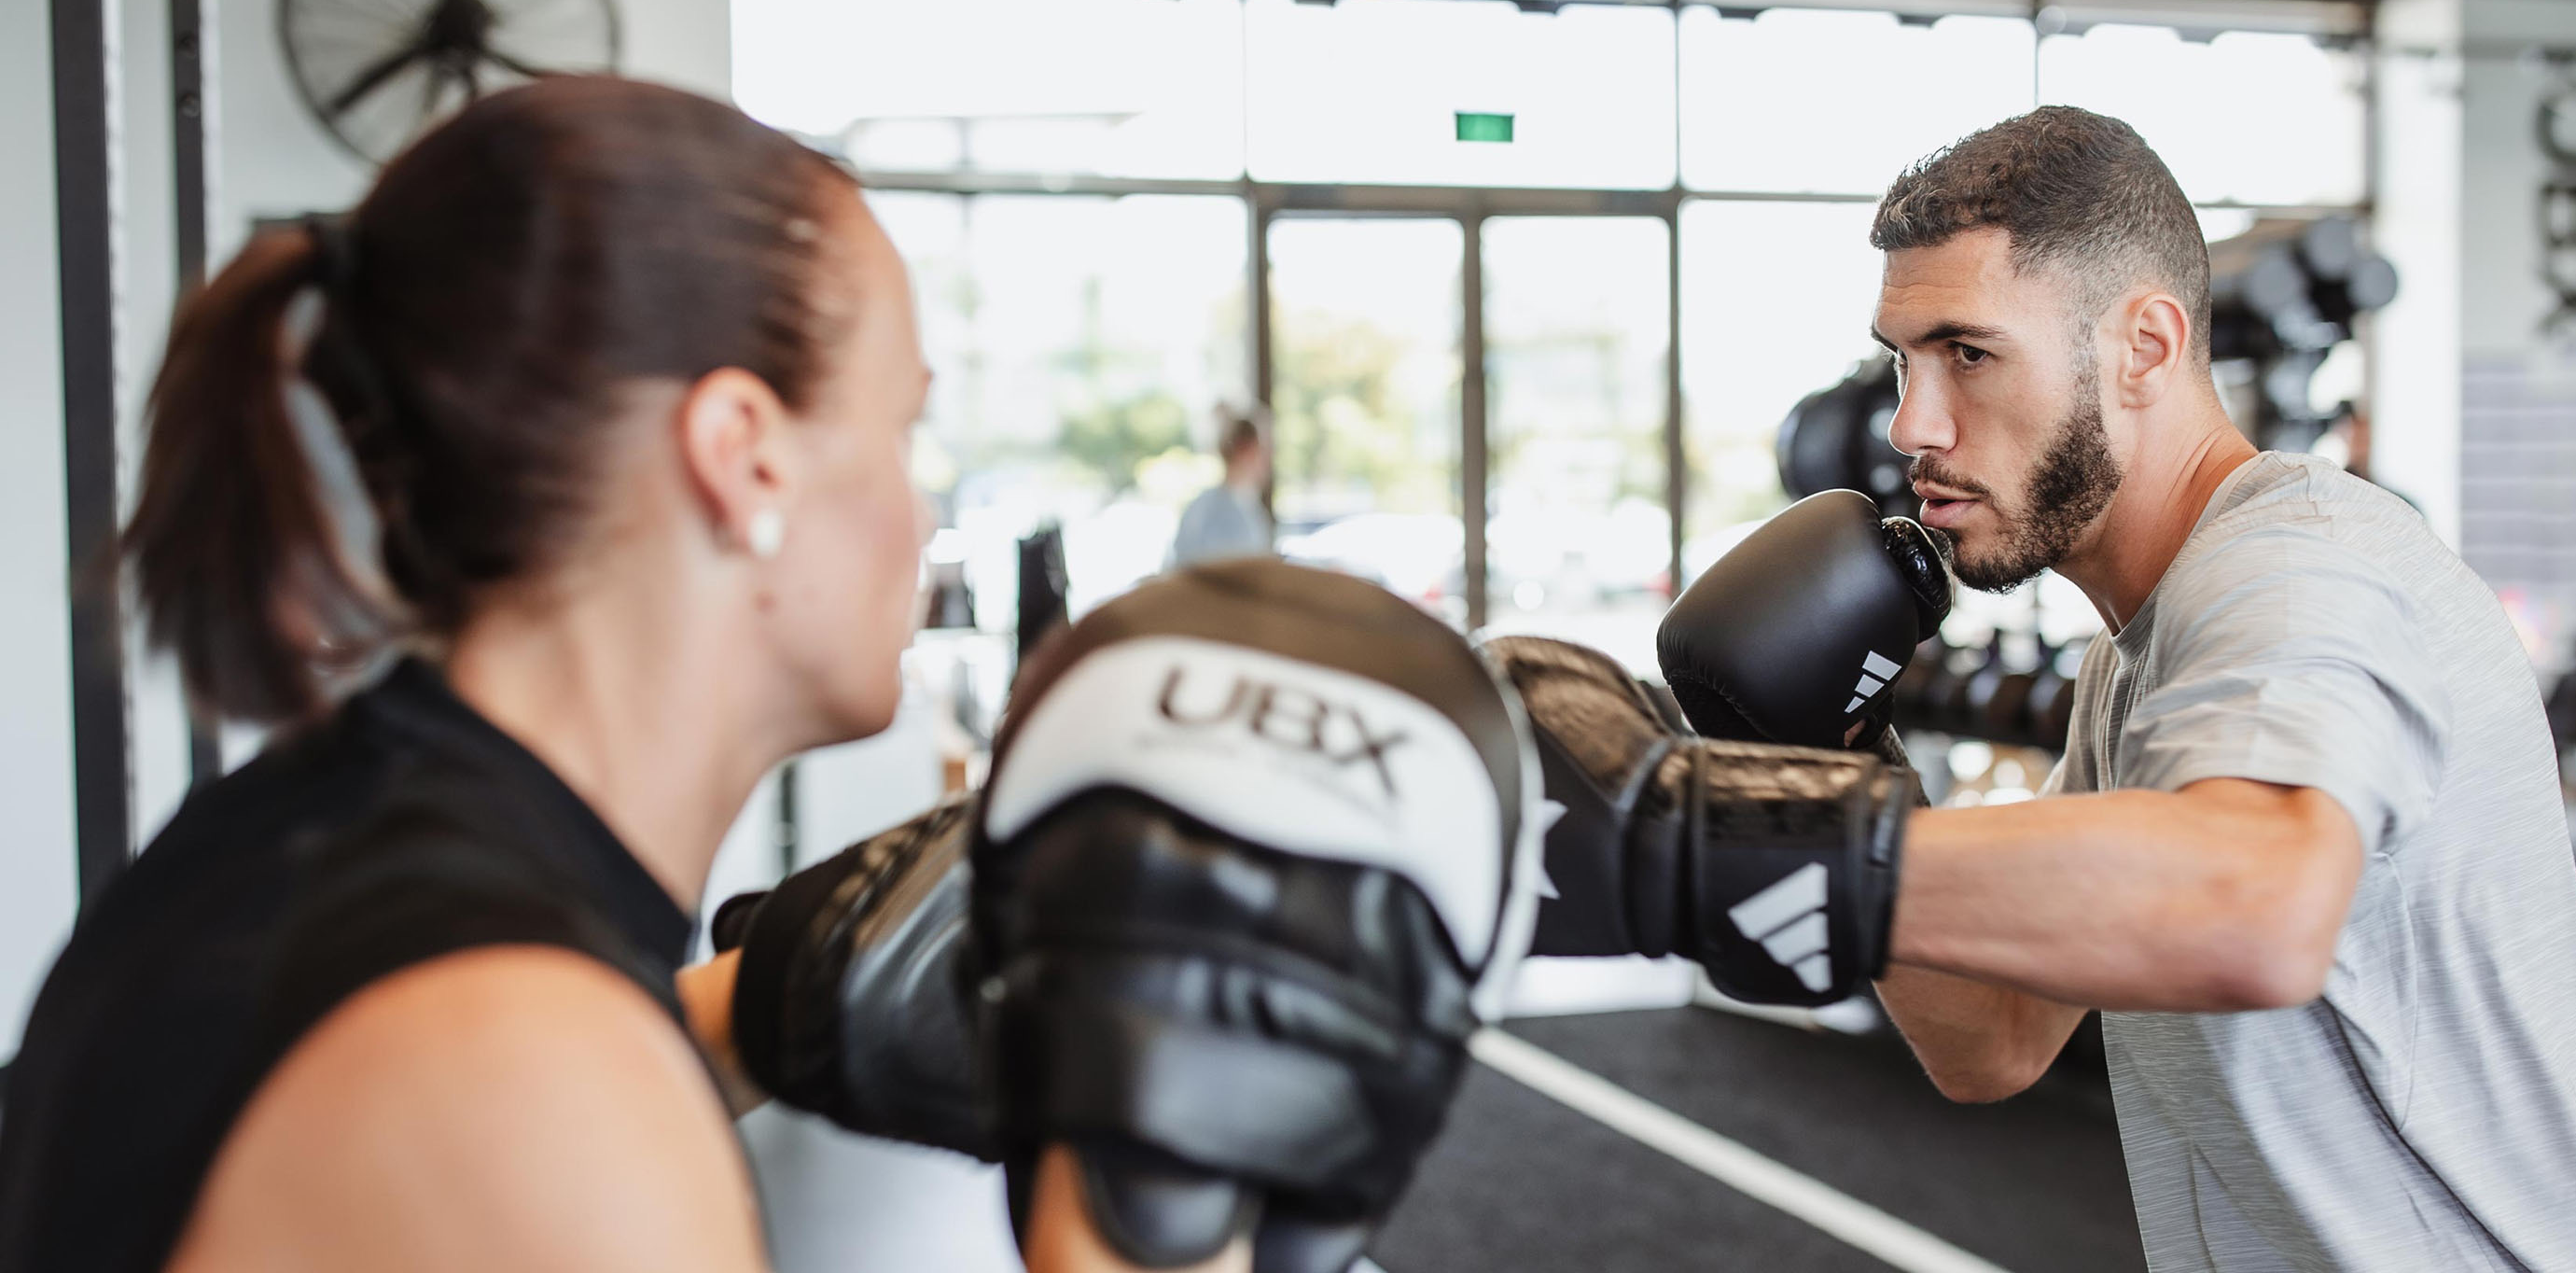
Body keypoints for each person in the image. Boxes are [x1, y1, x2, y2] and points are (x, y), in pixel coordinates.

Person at [0, 78, 1509, 1273]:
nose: (921, 511)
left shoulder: (339, 844)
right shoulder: (521, 1070)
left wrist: (753, 1011)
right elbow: (532, 1123)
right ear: (746, 457)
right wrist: (1130, 1225)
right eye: (900, 431)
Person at [1541, 105, 2576, 1270]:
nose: (1910, 425)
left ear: (2144, 345)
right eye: (1904, 359)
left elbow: (2260, 906)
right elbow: (1991, 1041)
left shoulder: (2295, 571)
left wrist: (1701, 833)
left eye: (1969, 355)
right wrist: (1843, 758)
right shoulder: (2134, 654)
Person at [1170, 410, 1274, 567]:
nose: (1269, 460)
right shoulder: (1214, 511)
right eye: (1264, 449)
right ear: (1246, 449)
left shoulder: (1247, 506)